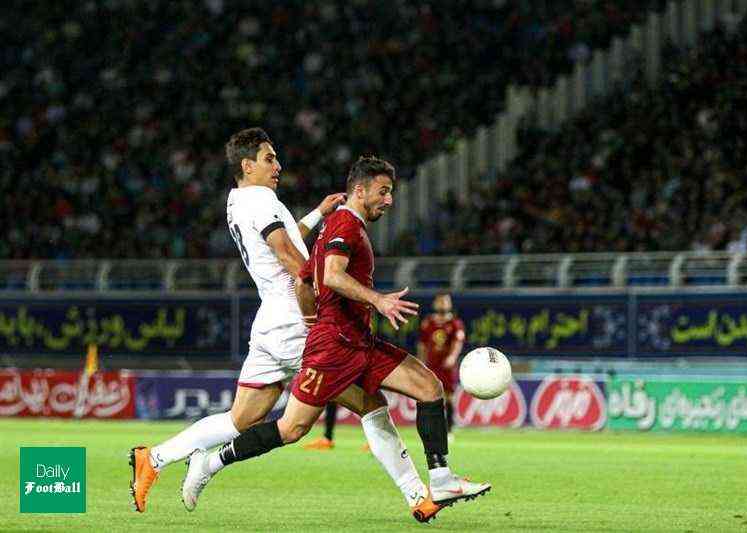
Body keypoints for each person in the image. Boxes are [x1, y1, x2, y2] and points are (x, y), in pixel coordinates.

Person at [129, 129, 436, 522]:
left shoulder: (237, 201)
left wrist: (316, 215)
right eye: (269, 158)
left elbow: (283, 239)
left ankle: (154, 458)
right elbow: (293, 259)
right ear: (247, 165)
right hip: (296, 321)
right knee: (370, 403)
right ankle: (417, 495)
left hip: (269, 321)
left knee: (238, 420)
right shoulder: (262, 202)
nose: (278, 166)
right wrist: (322, 305)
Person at [181, 155, 490, 521]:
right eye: (384, 192)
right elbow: (331, 275)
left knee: (429, 387)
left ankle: (439, 479)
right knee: (291, 428)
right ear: (359, 190)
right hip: (335, 350)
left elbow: (303, 278)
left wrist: (312, 317)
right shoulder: (344, 223)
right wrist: (376, 301)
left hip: (357, 341)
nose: (389, 200)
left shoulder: (337, 224)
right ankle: (210, 462)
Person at [418, 293, 465, 440]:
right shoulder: (428, 323)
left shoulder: (455, 323)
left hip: (447, 367)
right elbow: (422, 344)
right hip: (432, 365)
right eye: (440, 301)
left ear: (449, 304)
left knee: (449, 397)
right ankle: (431, 429)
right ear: (435, 303)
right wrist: (421, 362)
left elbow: (458, 343)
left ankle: (450, 429)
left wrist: (452, 357)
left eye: (445, 301)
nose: (442, 304)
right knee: (430, 397)